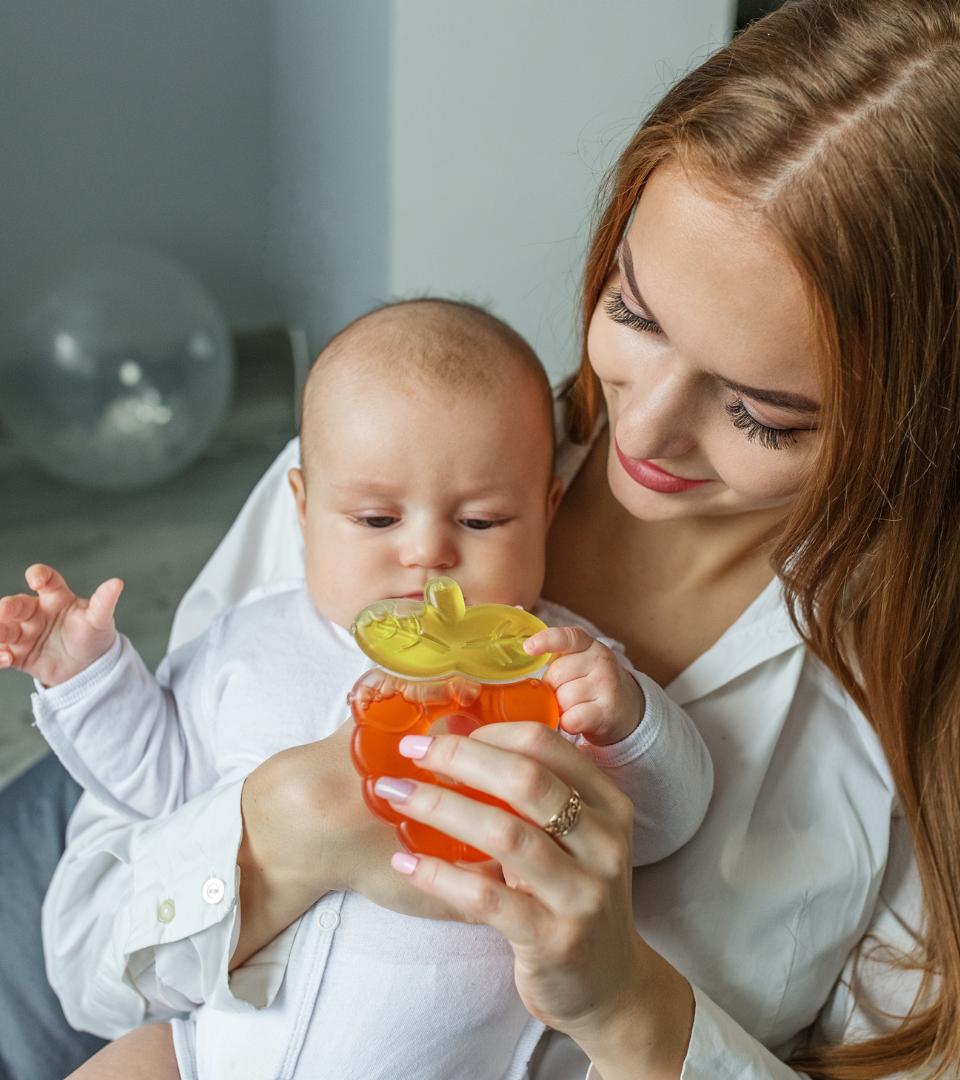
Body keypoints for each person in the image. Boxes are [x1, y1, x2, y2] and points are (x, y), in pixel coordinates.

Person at [13, 0, 960, 1077]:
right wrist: (287, 827)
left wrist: (628, 1009)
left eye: (763, 412)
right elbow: (89, 959)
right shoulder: (391, 472)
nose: (643, 428)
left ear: (937, 422)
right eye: (634, 313)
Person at [0, 300, 712, 1079]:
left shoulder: (551, 662)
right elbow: (155, 777)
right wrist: (90, 676)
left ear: (544, 513)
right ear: (303, 509)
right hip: (212, 1048)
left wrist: (630, 722)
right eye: (376, 519)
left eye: (481, 522)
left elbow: (665, 822)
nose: (426, 551)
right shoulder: (247, 639)